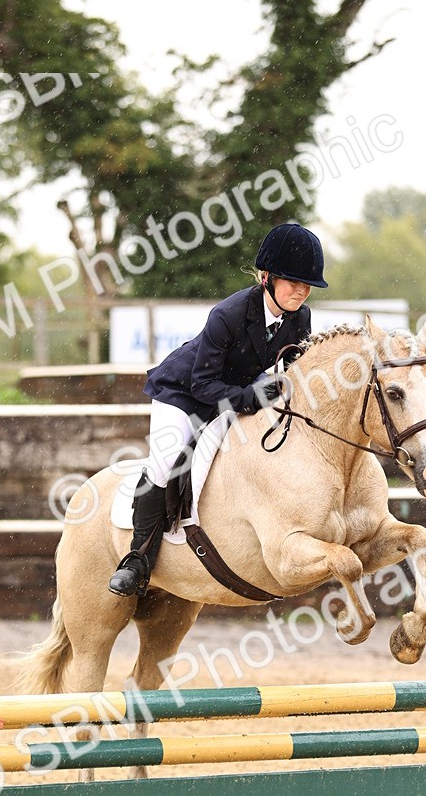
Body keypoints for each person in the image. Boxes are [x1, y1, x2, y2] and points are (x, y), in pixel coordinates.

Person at [108, 222, 327, 597]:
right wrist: (253, 397)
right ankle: (137, 559)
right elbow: (203, 385)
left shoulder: (300, 318)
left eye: (307, 284)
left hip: (237, 394)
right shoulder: (229, 313)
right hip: (184, 394)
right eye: (292, 281)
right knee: (166, 462)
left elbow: (290, 370)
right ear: (266, 278)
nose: (301, 290)